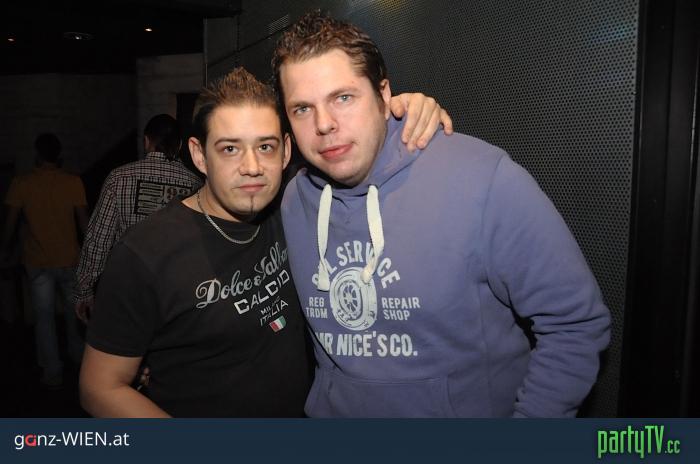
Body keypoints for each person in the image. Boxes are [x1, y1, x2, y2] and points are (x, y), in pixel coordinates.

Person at [273, 11, 611, 417]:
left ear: (384, 95)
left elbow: (574, 325)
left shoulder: (481, 180)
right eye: (302, 109)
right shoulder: (294, 201)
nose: (324, 124)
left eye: (343, 98)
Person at [79, 68, 452, 417]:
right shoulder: (144, 254)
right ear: (199, 154)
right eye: (229, 149)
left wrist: (405, 112)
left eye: (265, 147)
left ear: (286, 151)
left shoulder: (294, 207)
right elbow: (99, 387)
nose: (252, 167)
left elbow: (356, 144)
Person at [74, 114, 203, 322]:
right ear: (180, 145)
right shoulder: (195, 184)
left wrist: (84, 289)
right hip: (177, 292)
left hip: (128, 287)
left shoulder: (119, 178)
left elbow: (99, 238)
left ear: (146, 141)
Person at [1, 133, 88, 389]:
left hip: (38, 261)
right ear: (58, 155)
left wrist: (5, 249)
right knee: (75, 315)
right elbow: (84, 223)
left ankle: (52, 372)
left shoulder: (22, 183)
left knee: (44, 319)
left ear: (38, 154)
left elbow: (10, 224)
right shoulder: (72, 181)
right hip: (69, 259)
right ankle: (80, 361)